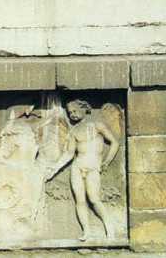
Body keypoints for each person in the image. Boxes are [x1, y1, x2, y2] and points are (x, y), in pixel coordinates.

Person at [47, 100, 119, 241]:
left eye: (74, 111)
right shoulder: (74, 131)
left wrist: (107, 161)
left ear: (83, 108)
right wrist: (54, 168)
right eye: (70, 113)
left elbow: (114, 142)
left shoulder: (97, 125)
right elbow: (69, 154)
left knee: (94, 198)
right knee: (80, 200)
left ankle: (109, 227)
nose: (72, 115)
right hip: (77, 166)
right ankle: (87, 231)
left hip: (93, 166)